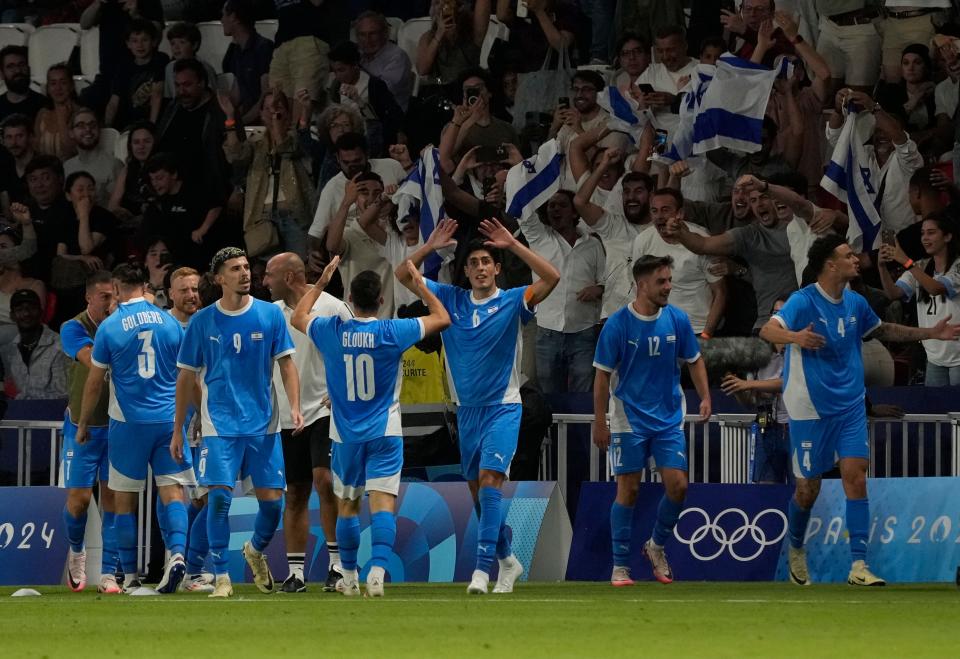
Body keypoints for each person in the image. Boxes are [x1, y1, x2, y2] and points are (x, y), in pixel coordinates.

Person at [758, 234, 960, 587]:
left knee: (856, 476)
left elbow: (885, 330)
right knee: (808, 489)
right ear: (830, 265)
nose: (856, 259)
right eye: (848, 255)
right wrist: (796, 338)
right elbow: (767, 330)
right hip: (810, 407)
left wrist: (932, 332)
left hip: (850, 402)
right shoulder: (802, 301)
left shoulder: (854, 302)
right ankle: (795, 548)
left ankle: (858, 566)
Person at [396, 217, 560, 594]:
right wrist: (430, 247)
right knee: (478, 494)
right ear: (465, 271)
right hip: (465, 412)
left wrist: (513, 244)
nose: (481, 268)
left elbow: (551, 278)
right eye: (474, 263)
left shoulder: (512, 300)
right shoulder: (449, 300)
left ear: (497, 268)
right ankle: (507, 560)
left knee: (490, 483)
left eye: (487, 262)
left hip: (503, 407)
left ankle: (480, 572)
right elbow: (404, 274)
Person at [292, 258, 449, 597]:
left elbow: (298, 317)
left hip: (346, 435)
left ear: (349, 298)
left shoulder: (332, 330)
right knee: (382, 503)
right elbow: (442, 318)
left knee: (347, 504)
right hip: (385, 431)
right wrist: (420, 285)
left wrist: (320, 283)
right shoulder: (392, 331)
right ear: (380, 300)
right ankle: (377, 570)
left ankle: (349, 576)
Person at [170, 246, 304, 598]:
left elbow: (287, 365)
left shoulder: (269, 315)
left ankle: (255, 551)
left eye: (246, 267)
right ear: (219, 278)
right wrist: (178, 429)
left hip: (265, 424)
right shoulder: (202, 322)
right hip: (220, 426)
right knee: (218, 501)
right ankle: (222, 577)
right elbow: (185, 379)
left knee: (273, 505)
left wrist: (296, 407)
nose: (245, 273)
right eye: (235, 268)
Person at [76, 263, 195, 594]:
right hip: (168, 422)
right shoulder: (171, 323)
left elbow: (95, 383)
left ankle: (128, 577)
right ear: (145, 285)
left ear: (115, 287)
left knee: (124, 501)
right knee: (173, 492)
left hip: (128, 424)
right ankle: (177, 555)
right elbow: (188, 376)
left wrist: (84, 422)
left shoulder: (110, 328)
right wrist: (197, 416)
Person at [593, 254, 710, 587]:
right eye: (661, 281)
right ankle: (620, 567)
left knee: (678, 486)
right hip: (629, 418)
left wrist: (705, 396)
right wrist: (599, 421)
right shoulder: (618, 324)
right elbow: (601, 377)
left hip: (669, 417)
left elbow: (695, 361)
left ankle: (656, 546)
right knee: (627, 490)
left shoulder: (678, 319)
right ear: (641, 285)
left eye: (669, 280)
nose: (668, 287)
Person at [263, 252, 352, 593]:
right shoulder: (271, 314)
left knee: (324, 480)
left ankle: (336, 566)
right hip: (285, 415)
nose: (263, 282)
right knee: (295, 492)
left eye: (269, 275)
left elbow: (354, 347)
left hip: (325, 410)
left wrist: (340, 390)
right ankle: (297, 572)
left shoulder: (332, 307)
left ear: (288, 277)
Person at [59, 270, 119, 594]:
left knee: (112, 499)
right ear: (89, 298)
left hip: (116, 428)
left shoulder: (122, 325)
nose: (111, 303)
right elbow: (90, 359)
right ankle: (77, 551)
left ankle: (109, 573)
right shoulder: (73, 327)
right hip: (81, 428)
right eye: (105, 297)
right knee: (79, 500)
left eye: (115, 296)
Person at [517, 190, 605, 394]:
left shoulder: (593, 245)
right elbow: (523, 210)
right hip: (547, 330)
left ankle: (580, 428)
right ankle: (552, 429)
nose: (555, 209)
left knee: (582, 393)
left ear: (575, 213)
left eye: (562, 205)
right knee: (548, 395)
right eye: (551, 205)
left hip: (584, 331)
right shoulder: (539, 237)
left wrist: (598, 289)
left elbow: (605, 281)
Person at [221, 89, 314, 259]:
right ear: (261, 113)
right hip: (263, 219)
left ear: (287, 112)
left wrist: (278, 124)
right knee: (272, 277)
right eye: (268, 108)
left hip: (294, 216)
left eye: (277, 107)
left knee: (299, 272)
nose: (273, 112)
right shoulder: (256, 141)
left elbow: (285, 148)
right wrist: (230, 117)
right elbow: (234, 155)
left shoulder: (298, 137)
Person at [631, 188, 726, 338]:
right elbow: (640, 289)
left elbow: (720, 293)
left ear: (680, 213)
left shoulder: (702, 240)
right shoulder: (643, 240)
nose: (659, 217)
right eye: (654, 211)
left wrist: (706, 335)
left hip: (697, 330)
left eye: (665, 210)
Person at [878, 214, 960, 386]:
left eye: (931, 233)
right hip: (934, 356)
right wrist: (882, 267)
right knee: (936, 410)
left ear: (947, 236)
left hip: (958, 355)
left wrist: (906, 262)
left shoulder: (957, 265)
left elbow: (936, 288)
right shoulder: (921, 266)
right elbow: (893, 294)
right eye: (922, 233)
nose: (925, 238)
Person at [721, 298, 792, 485]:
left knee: (800, 491)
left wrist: (749, 385)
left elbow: (788, 383)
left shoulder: (800, 351)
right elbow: (749, 402)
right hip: (767, 428)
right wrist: (737, 386)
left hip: (796, 429)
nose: (779, 319)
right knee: (765, 490)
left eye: (784, 314)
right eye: (775, 314)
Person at [327, 40, 404, 156]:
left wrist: (358, 101)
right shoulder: (336, 87)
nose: (338, 76)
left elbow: (392, 115)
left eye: (342, 70)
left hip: (372, 142)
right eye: (335, 71)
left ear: (355, 65)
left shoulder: (374, 85)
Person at [0, 289, 65, 399]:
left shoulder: (58, 346)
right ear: (12, 316)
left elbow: (63, 395)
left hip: (53, 412)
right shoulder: (10, 349)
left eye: (32, 308)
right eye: (19, 309)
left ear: (40, 312)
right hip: (20, 411)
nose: (26, 313)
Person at [105, 19, 168, 128]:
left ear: (153, 42)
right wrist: (107, 127)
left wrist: (151, 126)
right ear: (128, 44)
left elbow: (157, 95)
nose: (140, 45)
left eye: (145, 40)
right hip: (129, 123)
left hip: (152, 122)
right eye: (134, 41)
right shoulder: (123, 66)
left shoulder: (160, 59)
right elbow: (114, 102)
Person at [221, 0, 274, 127]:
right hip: (246, 119)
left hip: (261, 122)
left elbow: (265, 95)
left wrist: (241, 122)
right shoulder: (237, 50)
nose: (221, 20)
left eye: (223, 15)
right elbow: (237, 92)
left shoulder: (263, 48)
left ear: (233, 17)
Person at [416, 0, 491, 85]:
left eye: (446, 2)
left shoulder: (472, 32)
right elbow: (422, 70)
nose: (441, 6)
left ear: (457, 6)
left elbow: (484, 3)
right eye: (437, 3)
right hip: (438, 90)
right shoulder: (427, 37)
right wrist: (439, 35)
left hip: (464, 90)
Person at [63, 109, 124, 207]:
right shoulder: (67, 166)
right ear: (71, 133)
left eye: (92, 125)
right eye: (81, 126)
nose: (88, 129)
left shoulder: (114, 164)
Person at [355, 11, 413, 112]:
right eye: (362, 34)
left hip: (388, 118)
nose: (367, 40)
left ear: (385, 33)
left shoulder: (397, 57)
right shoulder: (357, 55)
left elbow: (380, 93)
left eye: (372, 33)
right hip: (360, 113)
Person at [107, 121, 157, 223]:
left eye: (146, 141)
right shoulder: (127, 169)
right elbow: (112, 205)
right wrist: (122, 213)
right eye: (136, 142)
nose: (141, 146)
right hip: (127, 222)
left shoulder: (162, 170)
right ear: (130, 146)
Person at [162, 22, 217, 102]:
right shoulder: (169, 68)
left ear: (194, 45)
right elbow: (169, 98)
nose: (176, 47)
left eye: (182, 42)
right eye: (173, 43)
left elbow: (213, 97)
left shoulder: (205, 68)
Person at [34, 64, 79, 160]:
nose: (58, 88)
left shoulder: (81, 114)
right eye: (53, 83)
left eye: (63, 82)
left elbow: (72, 152)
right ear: (48, 88)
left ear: (71, 86)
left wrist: (62, 120)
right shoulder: (42, 114)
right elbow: (36, 150)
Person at [0, 45, 49, 123]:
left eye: (21, 64)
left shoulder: (45, 105)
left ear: (29, 69)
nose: (17, 70)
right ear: (2, 74)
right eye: (10, 66)